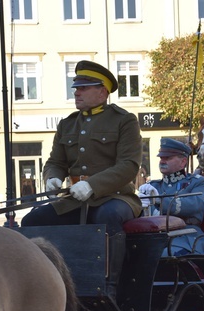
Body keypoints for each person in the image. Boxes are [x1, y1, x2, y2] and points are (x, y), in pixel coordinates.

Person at [21, 60, 141, 235]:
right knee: (32, 220)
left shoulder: (124, 120)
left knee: (106, 216)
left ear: (102, 92)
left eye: (84, 88)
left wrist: (91, 185)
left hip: (116, 197)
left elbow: (128, 165)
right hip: (75, 199)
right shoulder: (67, 124)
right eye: (76, 88)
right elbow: (55, 162)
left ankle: (115, 263)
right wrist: (52, 178)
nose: (76, 93)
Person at [139, 138, 204, 256]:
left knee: (163, 256)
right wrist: (138, 205)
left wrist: (158, 200)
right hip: (154, 238)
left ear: (183, 162)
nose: (162, 161)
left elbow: (195, 204)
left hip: (186, 237)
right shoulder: (152, 186)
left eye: (168, 158)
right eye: (161, 157)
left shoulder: (198, 182)